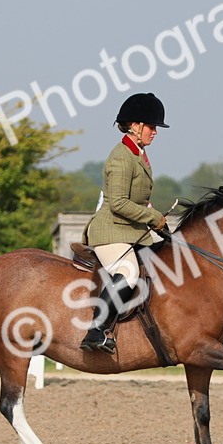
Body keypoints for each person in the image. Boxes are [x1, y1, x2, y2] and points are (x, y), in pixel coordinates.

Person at [80, 92, 169, 353]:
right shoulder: (121, 157)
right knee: (129, 272)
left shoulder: (138, 154)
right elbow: (118, 203)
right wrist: (153, 217)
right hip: (110, 231)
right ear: (135, 126)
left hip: (131, 231)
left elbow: (139, 201)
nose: (155, 132)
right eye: (151, 126)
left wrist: (158, 220)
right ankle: (96, 331)